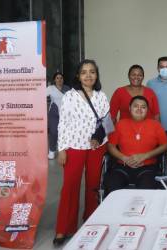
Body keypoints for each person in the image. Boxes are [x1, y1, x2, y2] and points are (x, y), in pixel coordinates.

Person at [53, 59, 109, 246]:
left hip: (96, 147)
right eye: (84, 72)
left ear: (96, 75)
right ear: (78, 75)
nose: (88, 75)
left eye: (92, 71)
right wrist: (61, 149)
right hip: (74, 147)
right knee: (70, 186)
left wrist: (99, 139)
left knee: (93, 185)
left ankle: (90, 220)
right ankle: (64, 228)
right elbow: (63, 124)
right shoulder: (70, 96)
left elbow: (106, 123)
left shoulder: (101, 96)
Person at [104, 96, 167, 194]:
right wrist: (125, 158)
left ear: (147, 110)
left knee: (146, 192)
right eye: (136, 106)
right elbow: (110, 146)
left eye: (143, 107)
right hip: (122, 166)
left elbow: (165, 145)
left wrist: (145, 156)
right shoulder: (120, 124)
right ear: (130, 108)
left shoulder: (155, 125)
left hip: (147, 168)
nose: (139, 109)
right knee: (112, 188)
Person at [47, 72, 70, 159]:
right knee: (53, 132)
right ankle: (52, 151)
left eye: (61, 78)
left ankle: (64, 149)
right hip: (54, 113)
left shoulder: (67, 88)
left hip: (65, 114)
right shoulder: (51, 88)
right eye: (57, 78)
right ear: (54, 80)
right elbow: (40, 95)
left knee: (65, 132)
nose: (59, 80)